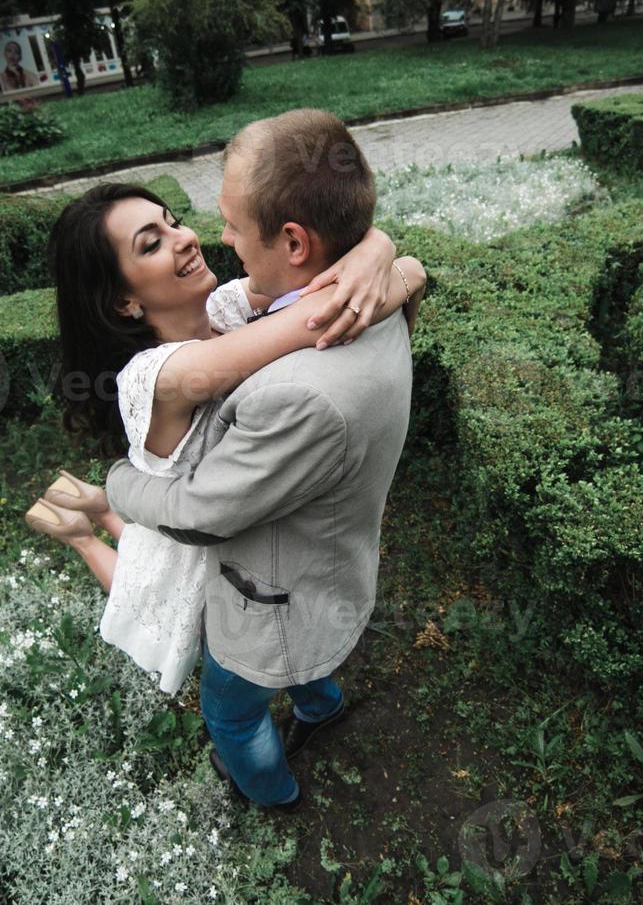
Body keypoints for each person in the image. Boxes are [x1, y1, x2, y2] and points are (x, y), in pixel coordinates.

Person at [103, 108, 417, 811]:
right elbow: (400, 272)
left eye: (232, 224)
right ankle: (321, 706)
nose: (212, 237)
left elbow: (198, 512)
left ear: (295, 241)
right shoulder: (370, 297)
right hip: (329, 554)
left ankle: (275, 797)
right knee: (306, 664)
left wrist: (117, 484)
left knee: (233, 714)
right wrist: (381, 250)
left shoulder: (296, 393)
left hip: (271, 593)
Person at [26, 170, 424, 701]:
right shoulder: (157, 375)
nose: (187, 237)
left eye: (172, 222)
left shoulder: (222, 308)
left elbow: (342, 281)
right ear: (124, 301)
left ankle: (99, 510)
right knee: (151, 599)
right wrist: (379, 254)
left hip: (229, 522)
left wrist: (379, 249)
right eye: (153, 244)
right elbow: (315, 314)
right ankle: (81, 531)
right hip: (185, 535)